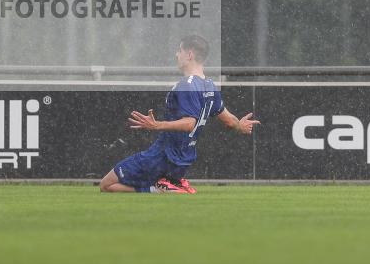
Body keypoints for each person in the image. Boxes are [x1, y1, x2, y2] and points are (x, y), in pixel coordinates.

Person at [100, 35, 259, 193]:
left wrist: (157, 125)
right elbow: (230, 121)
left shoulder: (187, 85)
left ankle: (161, 188)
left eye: (180, 50)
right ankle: (170, 182)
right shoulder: (209, 85)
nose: (177, 54)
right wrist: (240, 126)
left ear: (189, 54)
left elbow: (190, 123)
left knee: (106, 185)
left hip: (163, 156)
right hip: (183, 160)